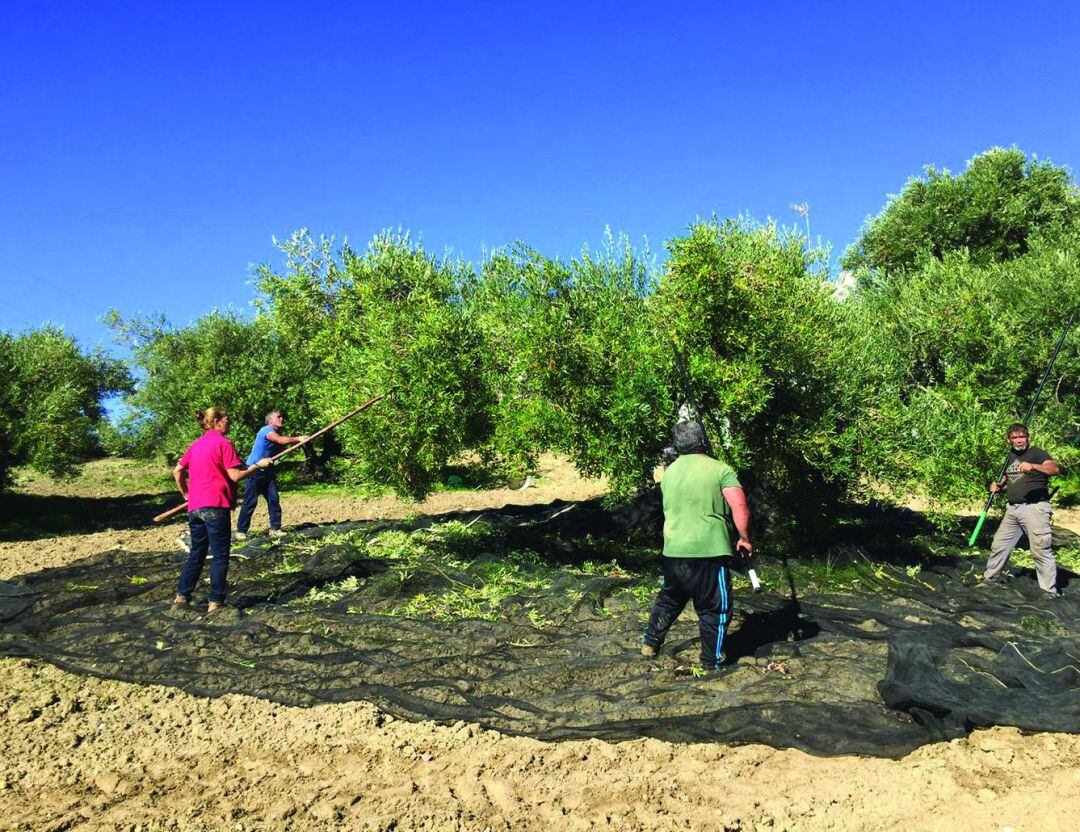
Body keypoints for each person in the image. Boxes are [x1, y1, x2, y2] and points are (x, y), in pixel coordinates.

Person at [641, 420, 753, 670]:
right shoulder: (721, 470)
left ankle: (650, 643)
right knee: (715, 608)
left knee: (669, 599)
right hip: (709, 551)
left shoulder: (669, 474)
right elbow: (740, 506)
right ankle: (710, 661)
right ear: (702, 441)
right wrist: (743, 538)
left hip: (674, 551)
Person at [172, 407, 272, 612]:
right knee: (220, 555)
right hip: (216, 506)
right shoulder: (224, 444)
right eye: (227, 419)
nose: (229, 423)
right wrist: (258, 466)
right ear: (217, 421)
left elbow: (178, 470)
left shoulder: (196, 445)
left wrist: (186, 494)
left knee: (197, 553)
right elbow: (235, 476)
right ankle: (215, 602)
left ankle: (182, 596)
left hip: (195, 508)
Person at [983, 422, 1061, 597]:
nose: (1019, 441)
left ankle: (1049, 592)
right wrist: (998, 488)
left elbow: (1054, 469)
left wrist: (1033, 466)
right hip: (1012, 510)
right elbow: (1008, 483)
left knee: (1040, 549)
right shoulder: (1010, 457)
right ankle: (989, 580)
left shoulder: (1037, 453)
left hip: (1035, 509)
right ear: (1008, 440)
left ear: (1028, 437)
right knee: (999, 545)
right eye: (1014, 438)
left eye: (1022, 437)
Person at [235, 410, 308, 540]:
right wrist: (298, 439)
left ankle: (275, 528)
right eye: (278, 417)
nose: (282, 419)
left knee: (273, 500)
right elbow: (280, 441)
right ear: (270, 420)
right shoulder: (266, 430)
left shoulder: (276, 433)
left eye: (281, 416)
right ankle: (241, 531)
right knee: (250, 501)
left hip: (268, 472)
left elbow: (280, 448)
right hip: (254, 471)